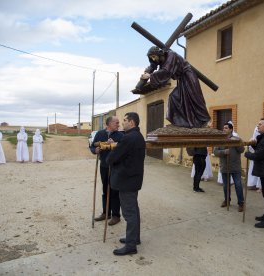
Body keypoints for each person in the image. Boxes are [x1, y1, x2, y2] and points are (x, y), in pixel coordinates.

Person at [141, 46, 210, 128]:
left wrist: (150, 75)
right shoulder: (162, 62)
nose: (153, 59)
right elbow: (162, 74)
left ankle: (205, 119)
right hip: (181, 80)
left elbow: (167, 71)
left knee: (195, 98)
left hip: (188, 76)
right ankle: (180, 122)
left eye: (153, 56)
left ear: (158, 54)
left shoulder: (171, 55)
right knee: (174, 97)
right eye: (151, 58)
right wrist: (149, 71)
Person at [106, 112, 145, 256]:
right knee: (134, 210)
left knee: (129, 213)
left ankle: (131, 246)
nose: (123, 123)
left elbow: (112, 158)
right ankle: (134, 239)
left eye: (125, 120)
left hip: (127, 181)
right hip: (133, 180)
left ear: (132, 122)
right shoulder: (138, 136)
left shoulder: (128, 138)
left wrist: (110, 155)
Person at [90, 116, 124, 226]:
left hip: (115, 167)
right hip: (104, 166)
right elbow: (92, 146)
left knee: (114, 191)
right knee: (105, 189)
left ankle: (116, 216)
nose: (119, 125)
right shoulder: (100, 134)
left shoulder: (121, 135)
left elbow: (124, 149)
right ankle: (106, 213)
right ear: (109, 124)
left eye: (119, 123)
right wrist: (95, 150)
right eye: (116, 123)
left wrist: (114, 144)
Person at [244, 118, 264, 228]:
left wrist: (247, 155)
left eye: (260, 124)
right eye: (257, 124)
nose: (257, 126)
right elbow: (260, 148)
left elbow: (259, 154)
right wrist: (253, 144)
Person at [214, 122, 245, 212]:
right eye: (223, 128)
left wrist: (237, 143)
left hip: (235, 166)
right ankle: (227, 200)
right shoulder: (219, 140)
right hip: (225, 166)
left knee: (238, 185)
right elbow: (215, 152)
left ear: (231, 129)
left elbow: (242, 150)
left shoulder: (236, 139)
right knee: (226, 186)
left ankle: (241, 203)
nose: (224, 129)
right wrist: (224, 152)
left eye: (226, 128)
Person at [247, 126, 261, 191]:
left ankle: (259, 186)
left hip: (259, 159)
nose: (257, 132)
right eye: (256, 131)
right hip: (253, 159)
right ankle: (252, 184)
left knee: (259, 173)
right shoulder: (252, 139)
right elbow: (249, 148)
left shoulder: (262, 140)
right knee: (252, 172)